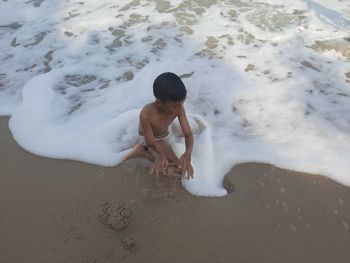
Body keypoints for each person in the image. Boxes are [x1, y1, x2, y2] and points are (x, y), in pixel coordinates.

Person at [124, 72, 194, 179]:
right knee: (179, 167)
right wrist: (158, 156)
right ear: (159, 103)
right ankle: (141, 151)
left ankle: (146, 152)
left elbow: (188, 134)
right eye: (175, 106)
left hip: (165, 133)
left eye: (182, 104)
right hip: (151, 139)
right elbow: (151, 144)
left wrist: (188, 153)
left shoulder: (178, 107)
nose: (179, 109)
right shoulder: (146, 115)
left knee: (184, 162)